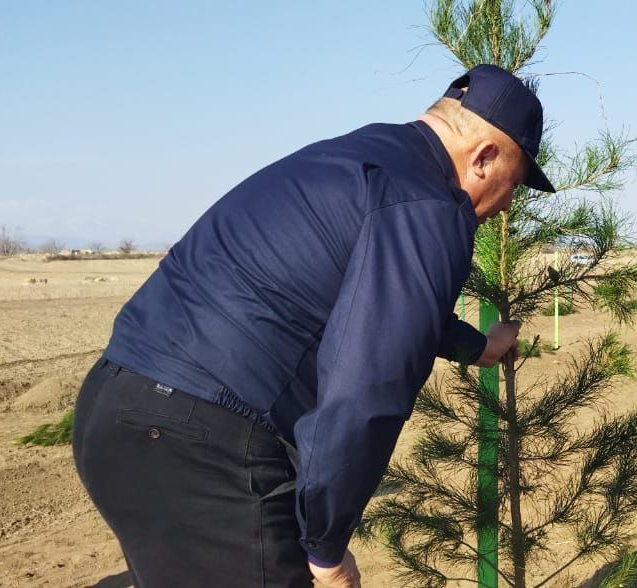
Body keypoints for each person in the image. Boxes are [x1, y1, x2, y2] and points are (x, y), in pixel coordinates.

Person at [72, 64, 553, 587]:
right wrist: (325, 545)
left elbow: (378, 297)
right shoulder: (431, 209)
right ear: (483, 157)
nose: (507, 204)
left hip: (116, 408)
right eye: (515, 182)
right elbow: (368, 388)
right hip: (203, 445)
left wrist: (475, 344)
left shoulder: (366, 158)